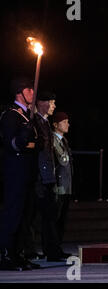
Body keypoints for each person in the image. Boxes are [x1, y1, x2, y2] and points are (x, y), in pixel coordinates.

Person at [0, 77, 40, 270]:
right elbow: (11, 144)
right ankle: (6, 254)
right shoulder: (11, 115)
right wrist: (22, 139)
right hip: (15, 172)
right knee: (13, 214)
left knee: (25, 215)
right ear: (19, 92)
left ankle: (19, 253)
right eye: (29, 90)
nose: (33, 93)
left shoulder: (27, 115)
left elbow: (36, 145)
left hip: (28, 172)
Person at [34, 91, 69, 262]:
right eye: (51, 102)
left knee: (50, 216)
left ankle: (52, 249)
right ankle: (45, 249)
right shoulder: (36, 122)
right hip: (40, 176)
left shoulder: (44, 123)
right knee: (43, 215)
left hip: (47, 175)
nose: (53, 106)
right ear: (41, 103)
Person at [52, 112, 73, 253]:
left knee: (62, 219)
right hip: (58, 185)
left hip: (66, 185)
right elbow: (60, 162)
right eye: (64, 121)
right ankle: (53, 247)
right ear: (55, 125)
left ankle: (57, 246)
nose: (67, 124)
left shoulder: (64, 141)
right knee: (55, 217)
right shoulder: (53, 140)